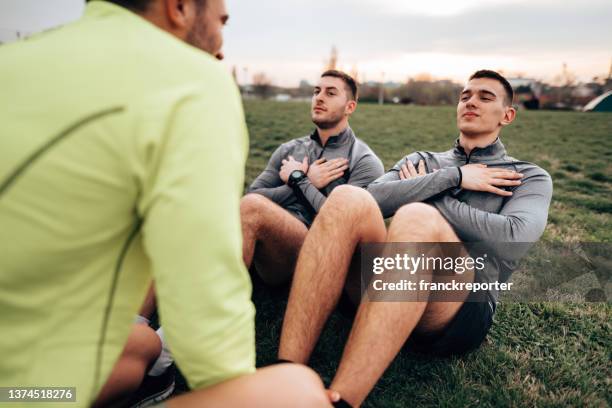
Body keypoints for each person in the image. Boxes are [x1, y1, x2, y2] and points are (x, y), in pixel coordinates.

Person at [0, 0, 330, 407]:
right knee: (297, 393)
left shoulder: (10, 61)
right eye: (220, 22)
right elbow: (210, 322)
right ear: (179, 8)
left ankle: (148, 373)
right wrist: (238, 389)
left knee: (142, 345)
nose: (222, 46)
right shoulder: (195, 81)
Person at [277, 70, 553, 407]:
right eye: (465, 95)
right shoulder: (423, 160)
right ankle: (286, 369)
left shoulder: (528, 176)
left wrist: (432, 191)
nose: (470, 101)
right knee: (348, 198)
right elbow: (373, 197)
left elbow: (513, 238)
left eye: (485, 96)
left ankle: (342, 400)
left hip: (463, 305)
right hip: (395, 283)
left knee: (416, 215)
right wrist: (452, 176)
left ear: (507, 115)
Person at [242, 70, 384, 285]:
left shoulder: (364, 161)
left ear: (350, 107)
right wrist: (305, 182)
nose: (319, 97)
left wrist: (299, 180)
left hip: (317, 254)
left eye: (330, 93)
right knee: (245, 205)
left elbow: (343, 227)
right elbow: (253, 196)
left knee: (252, 208)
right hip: (273, 249)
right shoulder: (288, 149)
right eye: (316, 91)